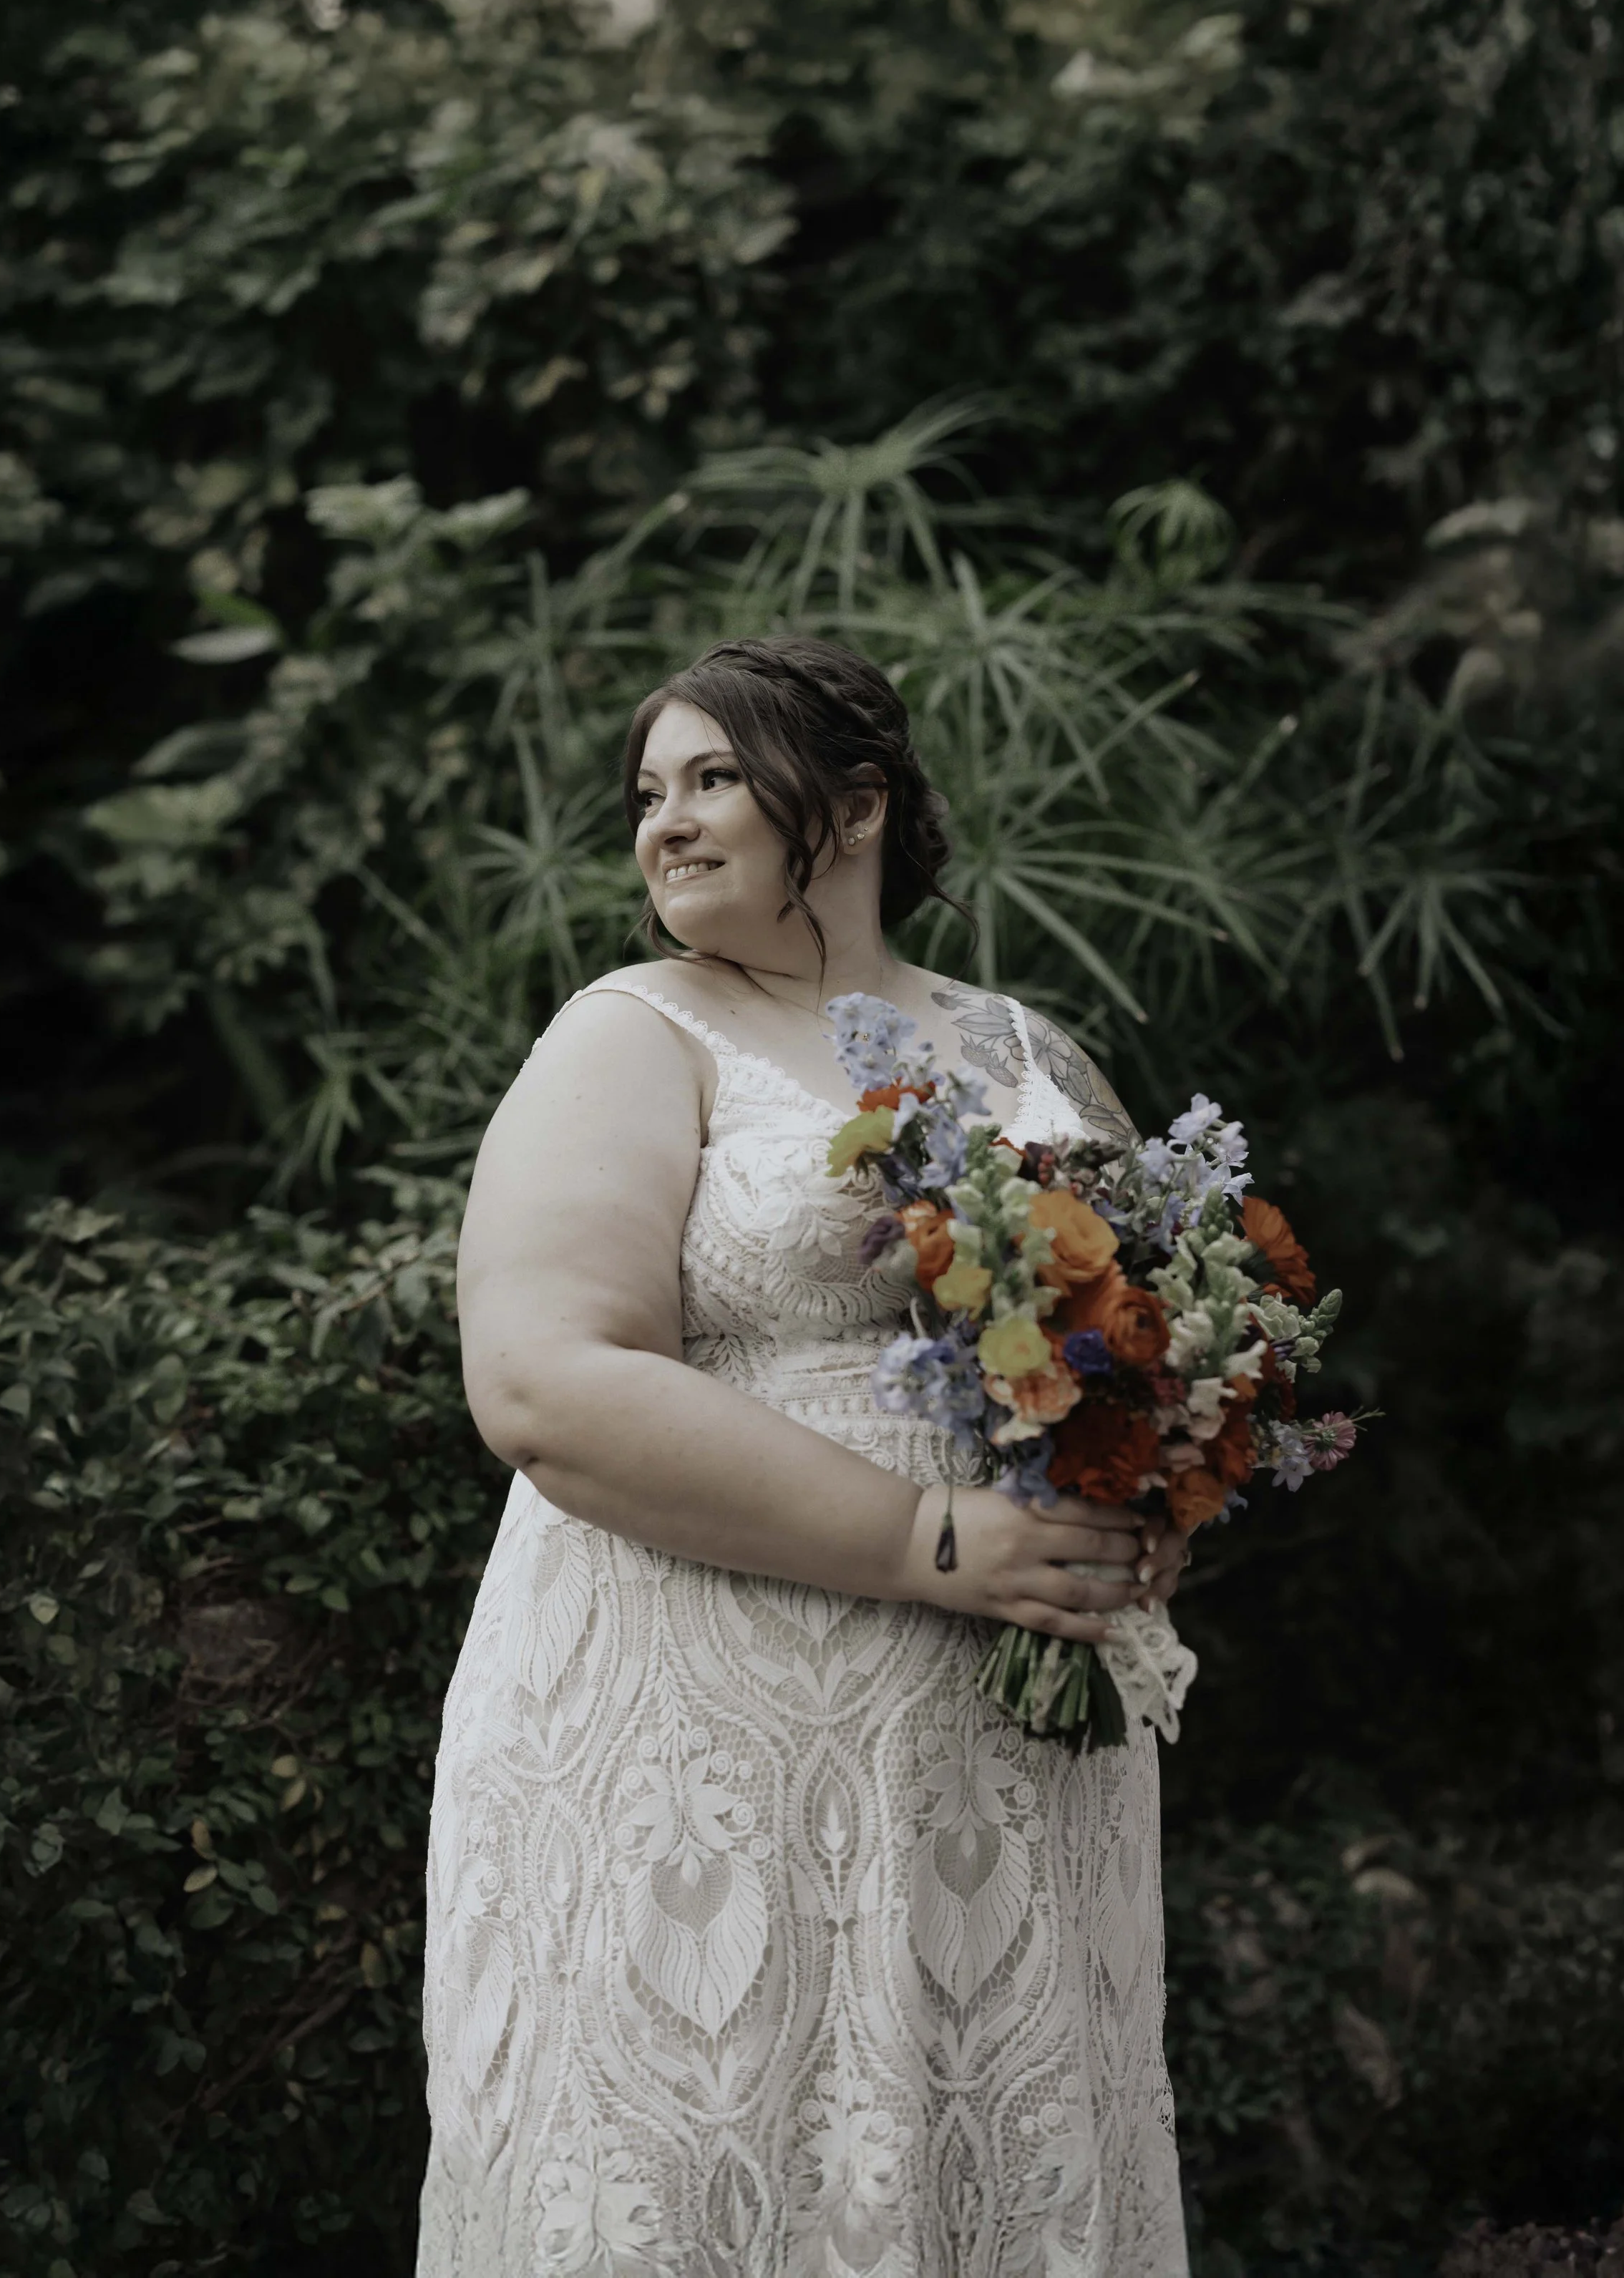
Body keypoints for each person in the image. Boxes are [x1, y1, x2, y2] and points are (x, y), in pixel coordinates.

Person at [417, 634, 1191, 2278]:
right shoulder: (631, 1034)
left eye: (711, 780)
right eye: (649, 793)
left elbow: (1144, 1341)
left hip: (997, 1748)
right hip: (692, 1732)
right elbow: (546, 1384)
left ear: (848, 807)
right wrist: (931, 1540)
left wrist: (1147, 1491)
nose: (665, 826)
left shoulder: (1032, 1058)